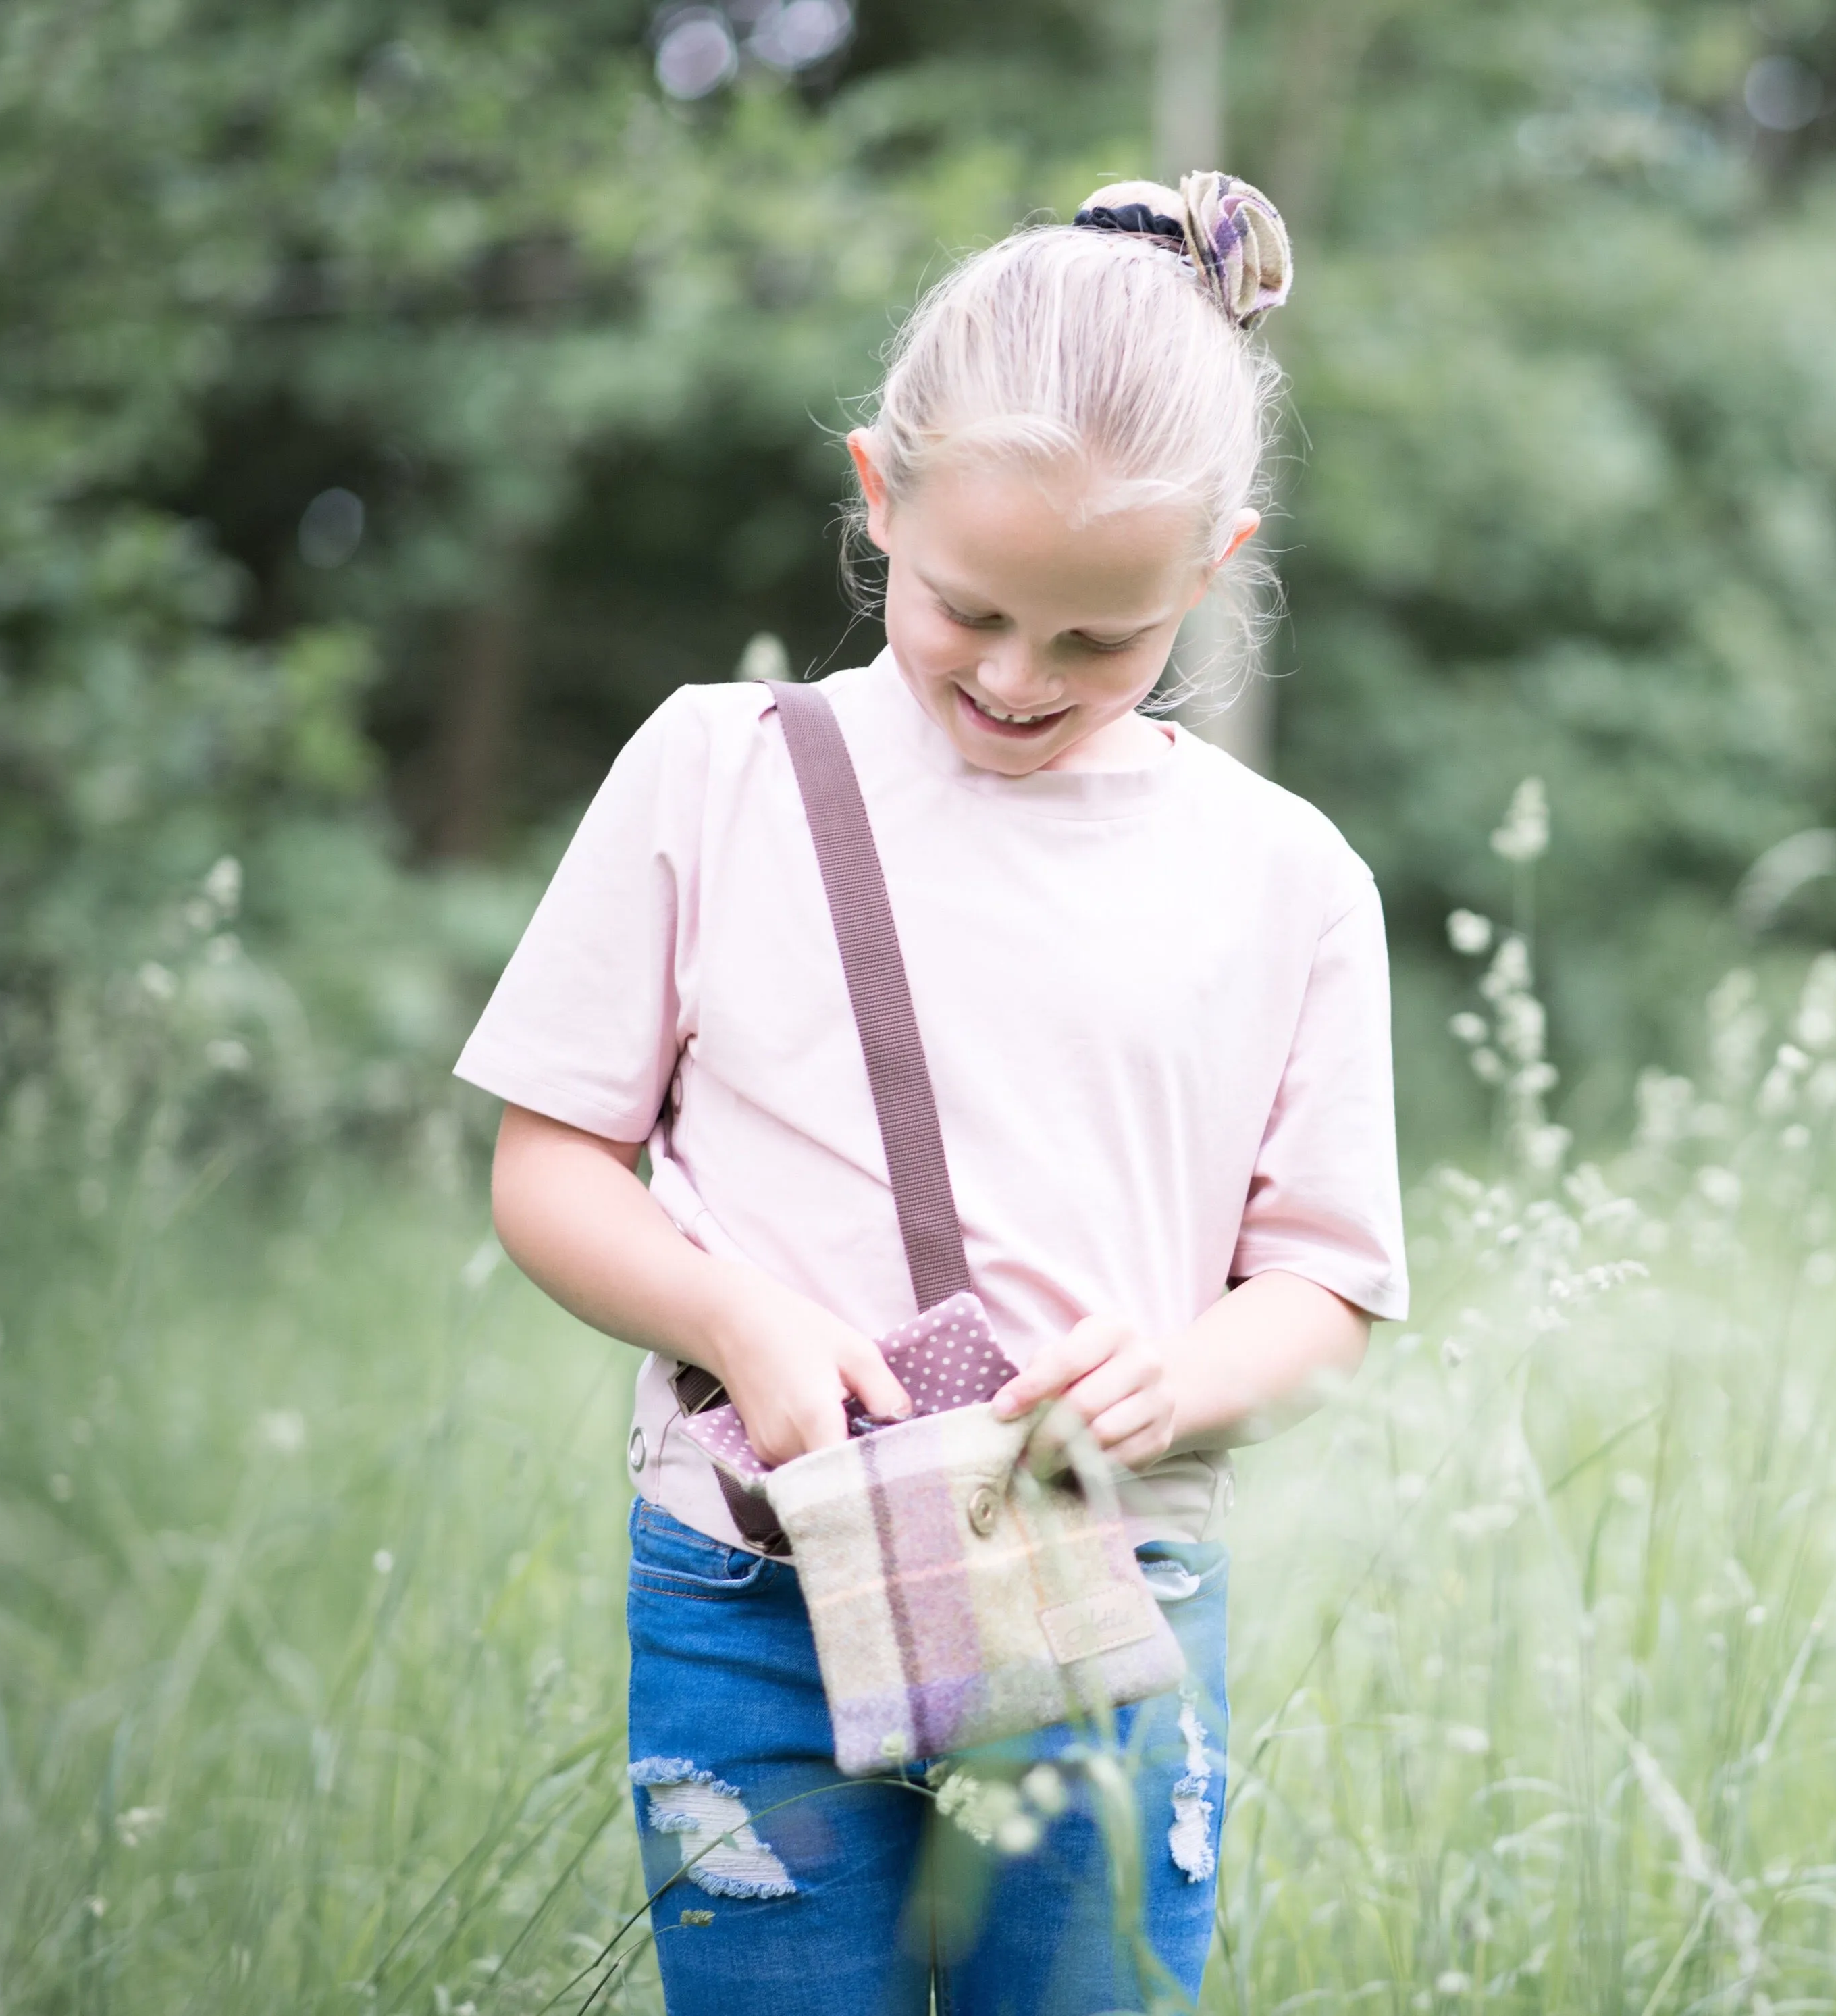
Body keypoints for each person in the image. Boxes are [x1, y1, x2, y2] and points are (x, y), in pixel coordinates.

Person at [454, 172, 1405, 2014]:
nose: (1016, 678)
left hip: (1101, 1576)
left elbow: (1327, 1288)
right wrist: (730, 1315)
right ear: (879, 493)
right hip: (754, 1589)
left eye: (1100, 640)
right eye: (969, 608)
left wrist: (1184, 1377)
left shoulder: (1288, 877)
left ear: (1211, 568)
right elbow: (553, 1162)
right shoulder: (719, 773)